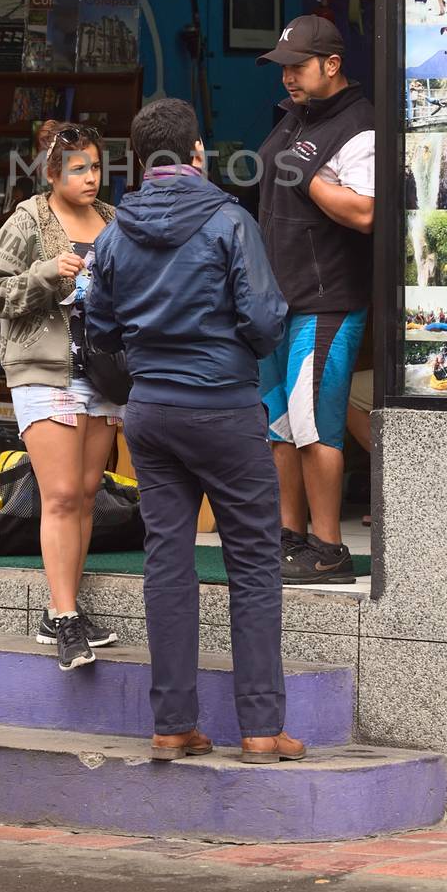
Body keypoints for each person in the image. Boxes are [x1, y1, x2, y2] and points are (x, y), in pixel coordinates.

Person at [87, 98, 302, 764]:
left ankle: (173, 723)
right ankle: (261, 728)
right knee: (253, 562)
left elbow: (97, 330)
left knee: (167, 562)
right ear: (197, 154)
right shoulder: (228, 221)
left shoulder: (113, 233)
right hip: (223, 408)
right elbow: (266, 321)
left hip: (149, 413)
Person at [0, 122, 121, 673]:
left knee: (87, 493)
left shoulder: (113, 221)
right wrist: (44, 274)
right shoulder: (27, 220)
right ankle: (65, 618)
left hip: (105, 373)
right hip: (45, 370)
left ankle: (62, 608)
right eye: (78, 169)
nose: (91, 178)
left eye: (95, 167)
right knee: (61, 493)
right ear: (51, 174)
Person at [255, 16, 375, 585]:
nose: (288, 79)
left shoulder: (359, 124)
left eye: (298, 67)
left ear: (332, 64)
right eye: (282, 69)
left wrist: (310, 179)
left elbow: (366, 211)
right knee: (279, 424)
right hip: (279, 301)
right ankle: (289, 537)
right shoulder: (296, 117)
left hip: (327, 301)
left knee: (315, 425)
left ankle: (329, 549)